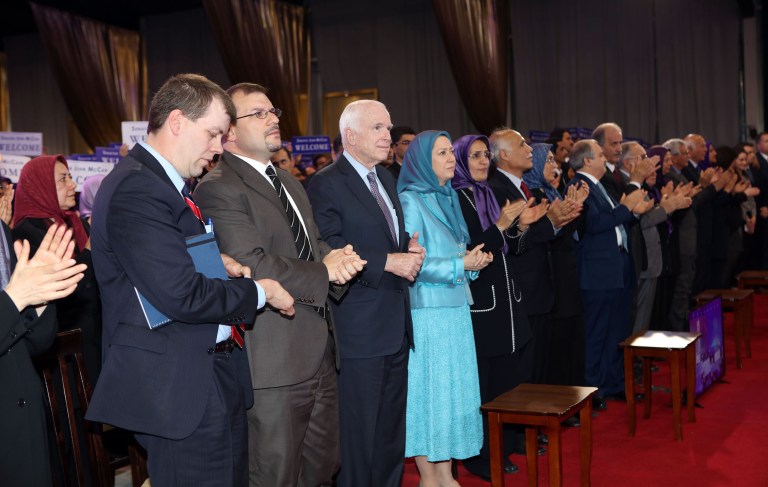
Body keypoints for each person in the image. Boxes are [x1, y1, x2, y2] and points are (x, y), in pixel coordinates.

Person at [85, 73, 294, 487]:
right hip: (180, 385)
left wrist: (219, 263)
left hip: (210, 374)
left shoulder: (169, 185)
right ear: (178, 121)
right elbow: (180, 293)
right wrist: (259, 291)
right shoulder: (137, 188)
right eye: (214, 134)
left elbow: (170, 266)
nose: (219, 148)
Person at [195, 82, 365, 487]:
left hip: (319, 350)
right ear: (230, 131)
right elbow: (253, 263)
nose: (273, 119)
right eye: (260, 113)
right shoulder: (218, 187)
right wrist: (326, 272)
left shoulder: (288, 182)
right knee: (277, 475)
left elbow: (312, 244)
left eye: (273, 111)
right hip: (273, 362)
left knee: (322, 471)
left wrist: (341, 259)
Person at [307, 99, 425, 487]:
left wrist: (409, 251)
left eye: (388, 128)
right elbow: (329, 245)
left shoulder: (387, 178)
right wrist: (390, 262)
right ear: (351, 135)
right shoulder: (326, 184)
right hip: (358, 331)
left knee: (391, 436)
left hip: (395, 326)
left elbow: (388, 240)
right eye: (378, 128)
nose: (388, 137)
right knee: (359, 439)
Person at [397, 130, 490, 486]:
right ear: (422, 161)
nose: (451, 157)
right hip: (428, 313)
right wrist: (459, 266)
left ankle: (444, 476)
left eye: (451, 151)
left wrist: (473, 263)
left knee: (452, 395)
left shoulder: (448, 196)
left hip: (455, 310)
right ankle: (430, 478)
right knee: (431, 395)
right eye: (441, 153)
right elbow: (411, 264)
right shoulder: (410, 201)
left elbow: (456, 257)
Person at [452, 134, 533, 480]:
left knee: (509, 378)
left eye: (486, 155)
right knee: (486, 383)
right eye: (475, 156)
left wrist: (521, 228)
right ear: (460, 161)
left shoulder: (486, 193)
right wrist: (501, 226)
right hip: (482, 303)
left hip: (507, 300)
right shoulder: (456, 199)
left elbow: (507, 248)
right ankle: (483, 457)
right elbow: (473, 248)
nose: (484, 161)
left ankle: (509, 443)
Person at [1, 224, 87, 487]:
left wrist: (38, 301)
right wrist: (15, 298)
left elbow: (32, 343)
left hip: (23, 424)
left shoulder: (2, 232)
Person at [567, 139, 651, 409]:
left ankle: (614, 384)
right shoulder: (578, 186)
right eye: (601, 154)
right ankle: (593, 390)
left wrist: (633, 212)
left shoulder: (599, 185)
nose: (605, 158)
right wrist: (627, 210)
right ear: (587, 160)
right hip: (597, 271)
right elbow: (592, 224)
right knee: (597, 333)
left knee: (617, 329)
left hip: (616, 265)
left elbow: (615, 217)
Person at [12, 155, 102, 380]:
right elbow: (58, 288)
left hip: (95, 339)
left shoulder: (77, 223)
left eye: (70, 177)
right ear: (40, 186)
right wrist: (90, 252)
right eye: (63, 179)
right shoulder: (26, 233)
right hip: (59, 352)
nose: (73, 185)